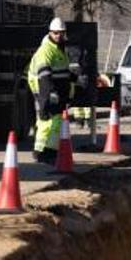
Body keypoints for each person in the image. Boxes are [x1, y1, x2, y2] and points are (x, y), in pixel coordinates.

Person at [27, 17, 73, 163]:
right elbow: (44, 76)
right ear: (50, 33)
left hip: (52, 91)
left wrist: (76, 79)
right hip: (44, 90)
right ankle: (47, 153)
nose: (58, 36)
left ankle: (42, 151)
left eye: (61, 33)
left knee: (48, 121)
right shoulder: (46, 50)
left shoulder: (60, 48)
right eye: (55, 33)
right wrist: (49, 95)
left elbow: (62, 71)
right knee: (50, 121)